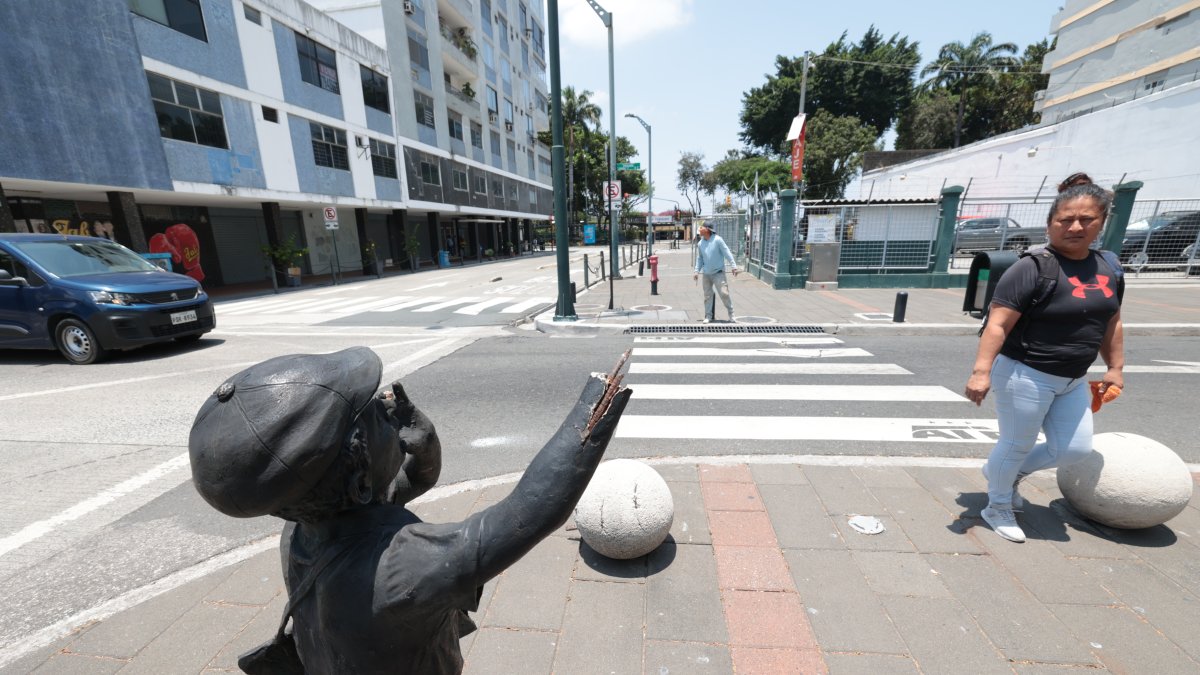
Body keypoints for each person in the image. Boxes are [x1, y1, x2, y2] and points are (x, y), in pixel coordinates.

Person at [188, 347, 631, 673]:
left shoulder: (305, 530)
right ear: (360, 479)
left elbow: (409, 484)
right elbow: (529, 512)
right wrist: (599, 404)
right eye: (373, 415)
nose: (388, 410)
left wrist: (425, 447)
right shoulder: (402, 564)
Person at [965, 174, 1125, 543]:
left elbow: (1112, 320)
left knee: (1074, 449)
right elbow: (997, 325)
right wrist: (981, 372)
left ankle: (1005, 472)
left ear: (1102, 222)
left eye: (1086, 219)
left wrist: (1115, 367)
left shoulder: (1109, 266)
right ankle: (998, 504)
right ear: (1051, 222)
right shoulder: (1033, 267)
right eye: (1065, 219)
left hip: (1073, 378)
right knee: (1015, 444)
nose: (1075, 227)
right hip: (1025, 373)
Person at [693, 223, 739, 323]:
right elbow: (700, 258)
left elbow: (727, 252)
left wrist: (733, 266)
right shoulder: (700, 243)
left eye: (702, 227)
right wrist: (696, 271)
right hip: (706, 274)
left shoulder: (718, 240)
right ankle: (708, 316)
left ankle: (731, 314)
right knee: (707, 296)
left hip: (718, 273)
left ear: (708, 229)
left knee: (724, 293)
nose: (699, 229)